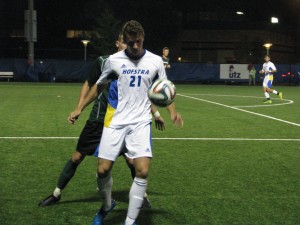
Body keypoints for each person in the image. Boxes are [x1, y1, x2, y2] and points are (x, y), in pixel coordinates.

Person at [70, 20, 183, 225]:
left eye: (138, 42)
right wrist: (80, 108)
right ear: (125, 40)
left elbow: (164, 88)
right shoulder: (114, 61)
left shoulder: (156, 61)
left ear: (143, 39)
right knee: (102, 170)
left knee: (143, 170)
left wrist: (171, 112)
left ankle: (130, 221)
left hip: (140, 122)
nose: (135, 46)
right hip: (116, 121)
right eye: (131, 43)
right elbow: (99, 86)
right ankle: (107, 205)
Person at [38, 34, 163, 208]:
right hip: (98, 119)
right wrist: (79, 108)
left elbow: (142, 94)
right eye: (125, 42)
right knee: (77, 157)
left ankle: (142, 197)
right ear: (117, 43)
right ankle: (56, 193)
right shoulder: (104, 62)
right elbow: (89, 84)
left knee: (131, 160)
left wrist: (156, 114)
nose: (128, 46)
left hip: (123, 121)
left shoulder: (139, 66)